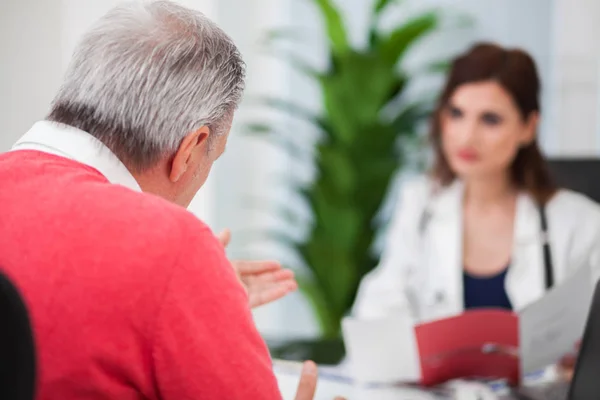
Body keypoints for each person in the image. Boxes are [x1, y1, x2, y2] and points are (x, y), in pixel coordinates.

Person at [0, 1, 322, 399]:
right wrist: (184, 271)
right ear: (190, 150)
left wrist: (195, 296)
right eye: (212, 159)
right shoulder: (171, 246)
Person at [353, 42, 600, 323]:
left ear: (528, 127)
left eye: (490, 120)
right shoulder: (419, 205)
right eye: (456, 114)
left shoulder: (582, 224)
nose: (467, 137)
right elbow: (376, 316)